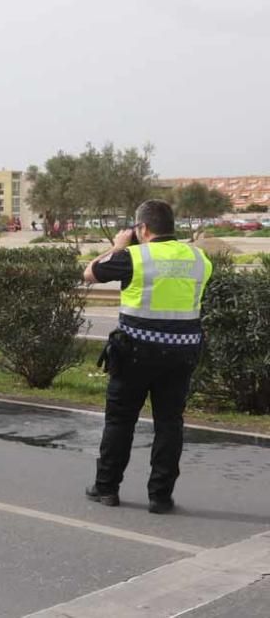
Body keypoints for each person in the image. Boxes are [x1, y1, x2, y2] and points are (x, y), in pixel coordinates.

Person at [83, 199, 211, 514]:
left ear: (142, 228)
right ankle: (160, 497)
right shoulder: (199, 258)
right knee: (169, 424)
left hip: (135, 353)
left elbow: (89, 274)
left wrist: (116, 245)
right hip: (182, 354)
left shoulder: (134, 256)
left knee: (120, 420)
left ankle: (107, 488)